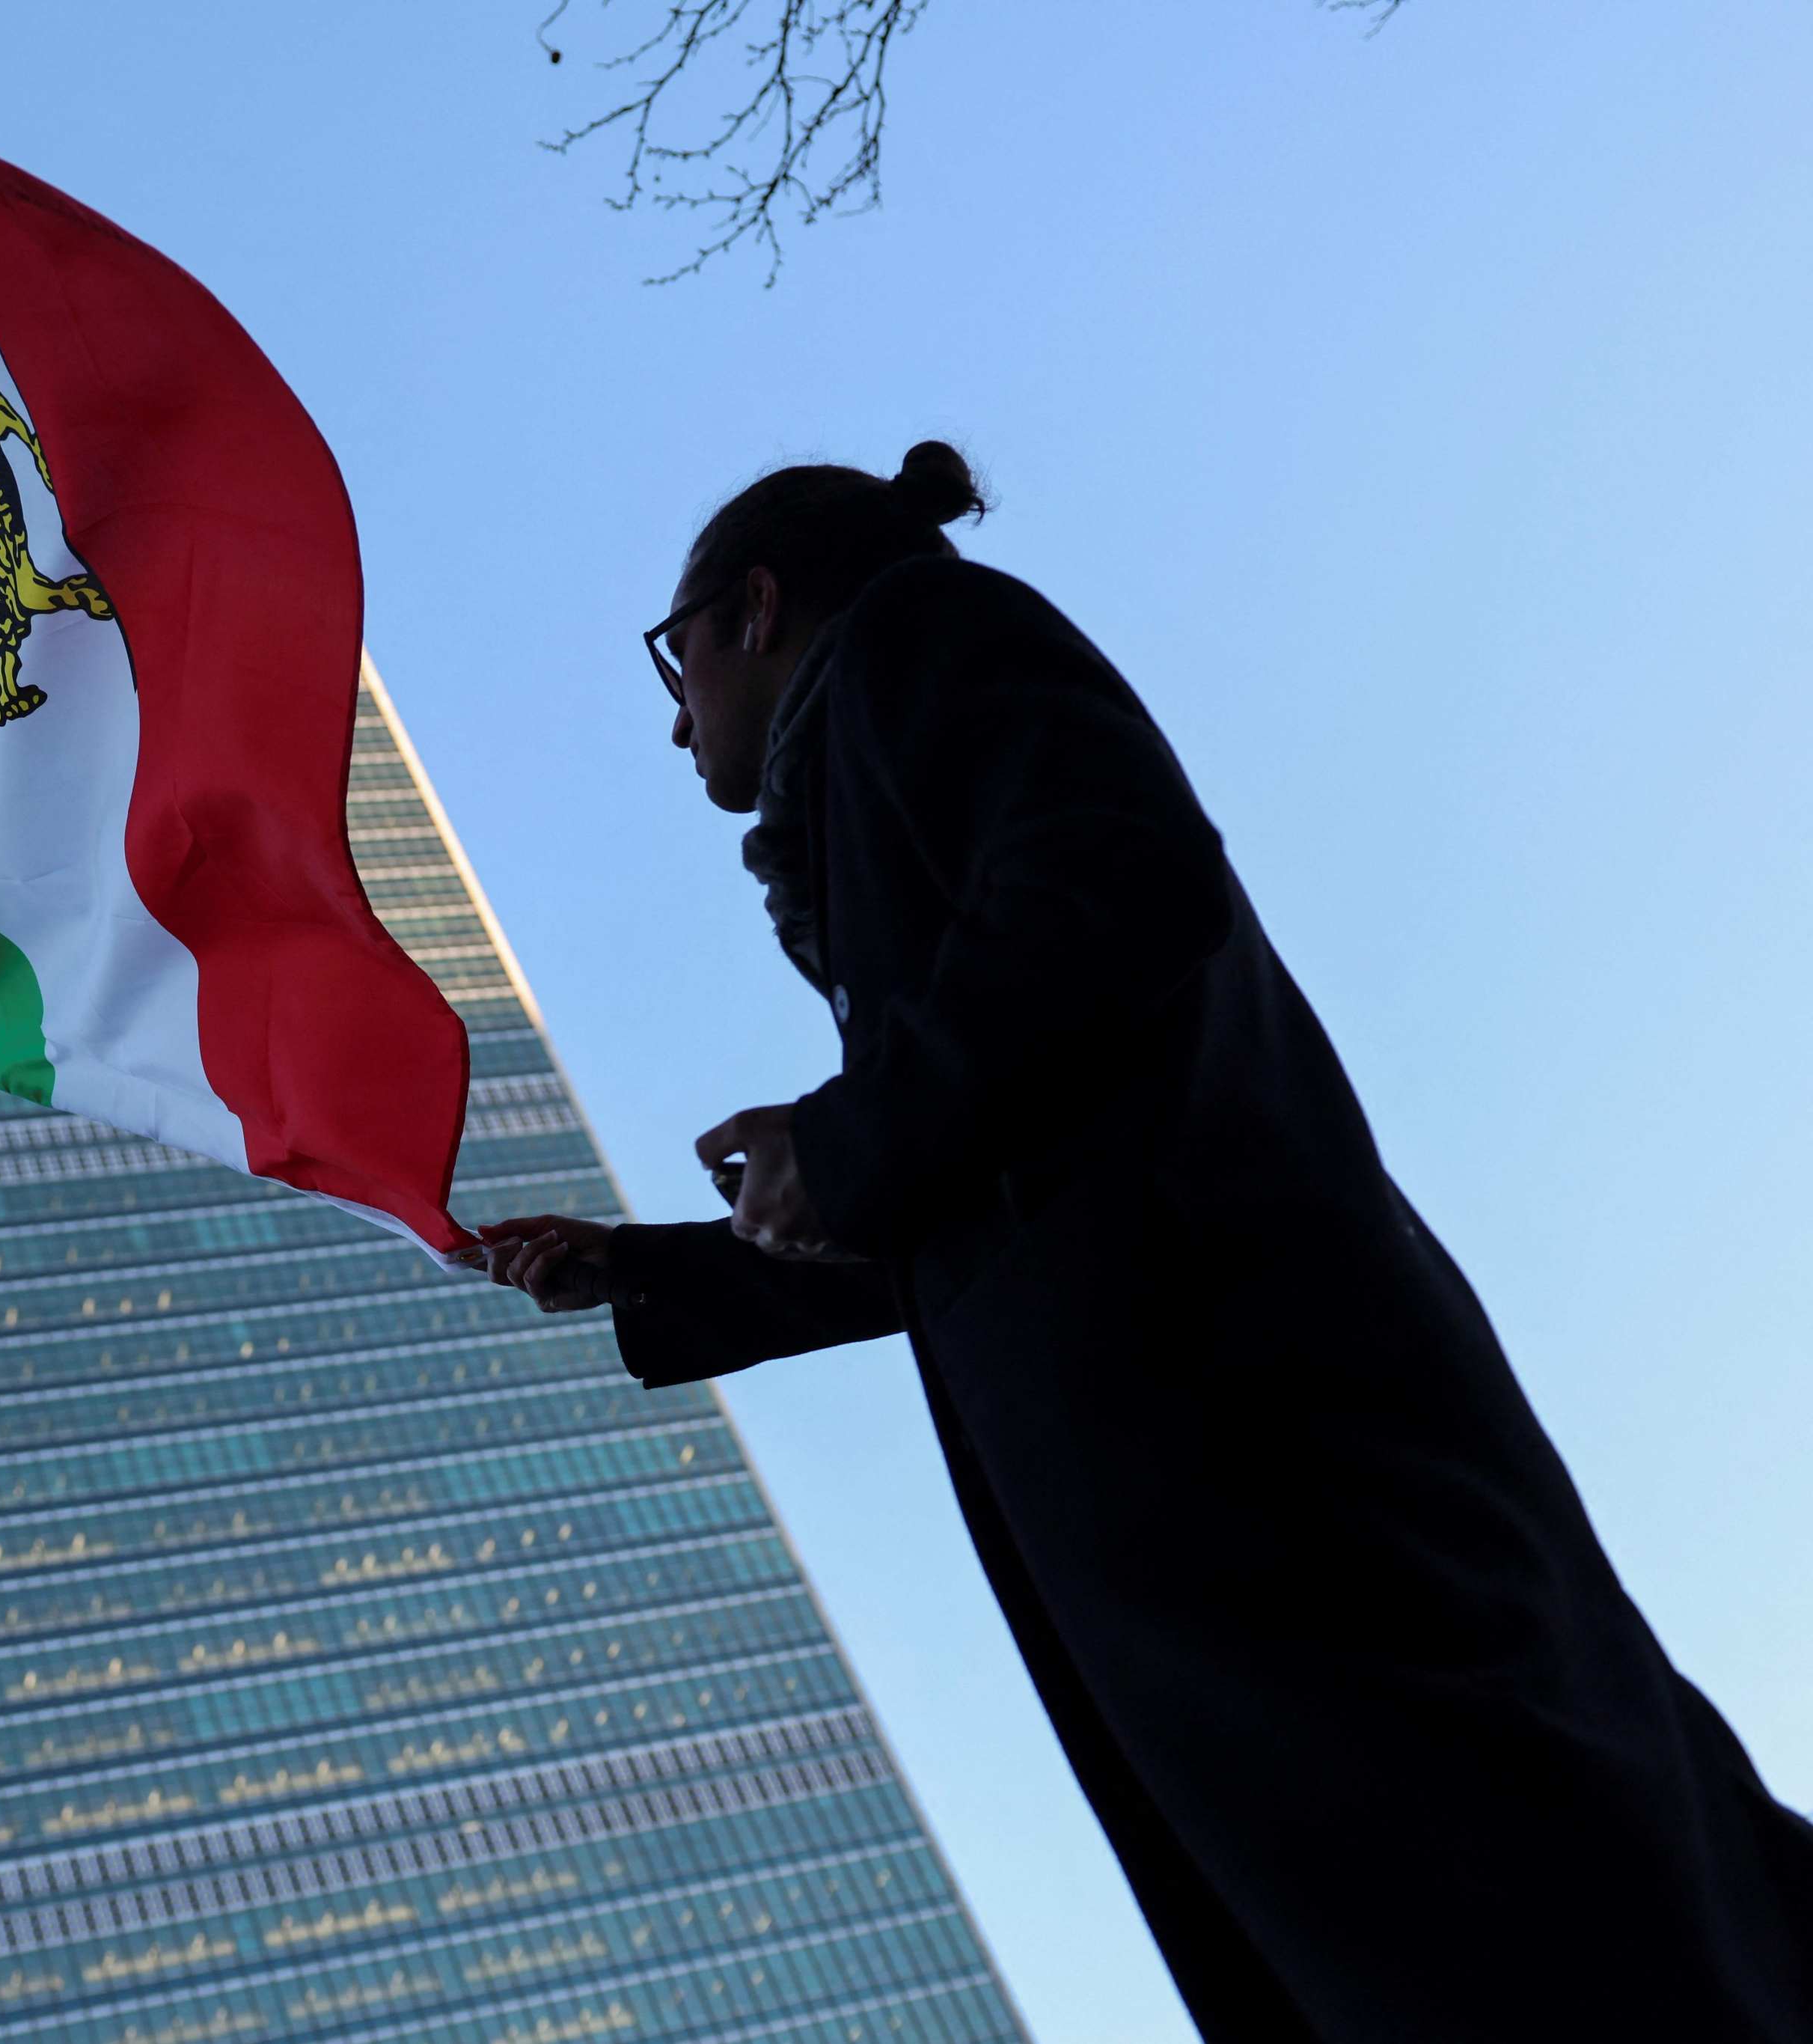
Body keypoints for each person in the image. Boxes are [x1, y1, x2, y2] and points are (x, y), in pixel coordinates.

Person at [472, 444, 1813, 2041]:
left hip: (1251, 1436)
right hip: (1202, 1474)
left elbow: (1122, 883)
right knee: (1479, 1885)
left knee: (1517, 1886)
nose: (672, 707)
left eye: (672, 654)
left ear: (754, 607)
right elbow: (989, 1202)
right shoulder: (876, 795)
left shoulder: (916, 641)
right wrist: (660, 1261)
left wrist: (845, 1138)